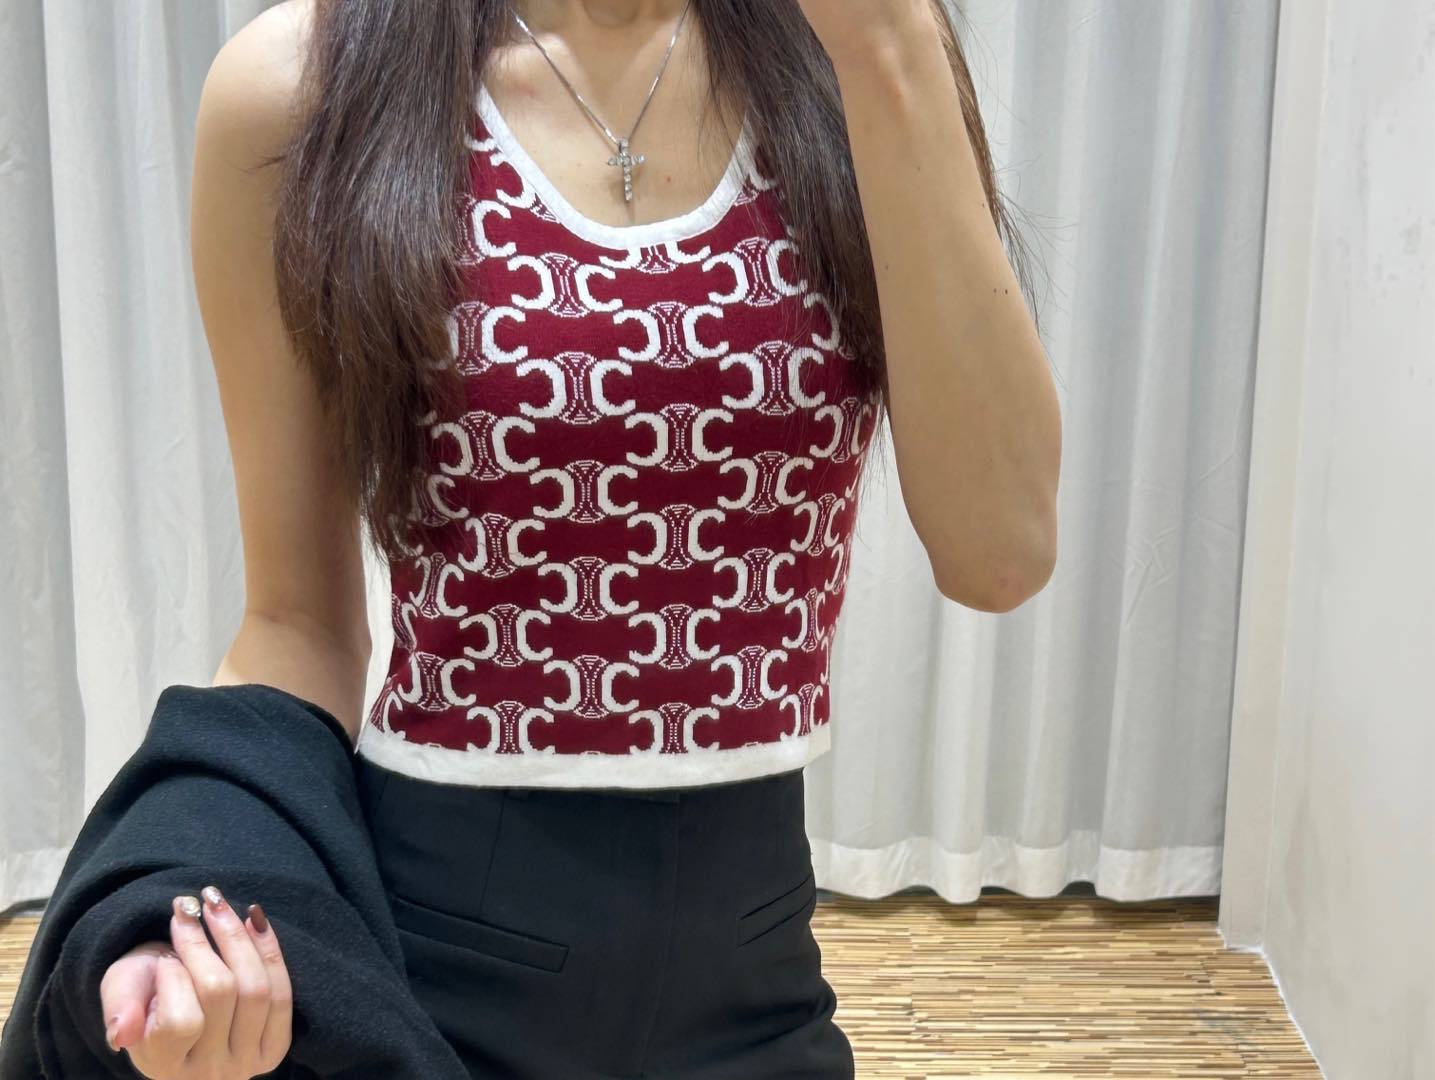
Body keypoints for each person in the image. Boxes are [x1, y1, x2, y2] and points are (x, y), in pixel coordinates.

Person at [99, 0, 1059, 1076]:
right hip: (437, 971)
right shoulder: (307, 87)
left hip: (760, 974)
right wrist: (195, 912)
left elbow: (1000, 554)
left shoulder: (856, 54)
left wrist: (890, 48)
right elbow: (294, 627)